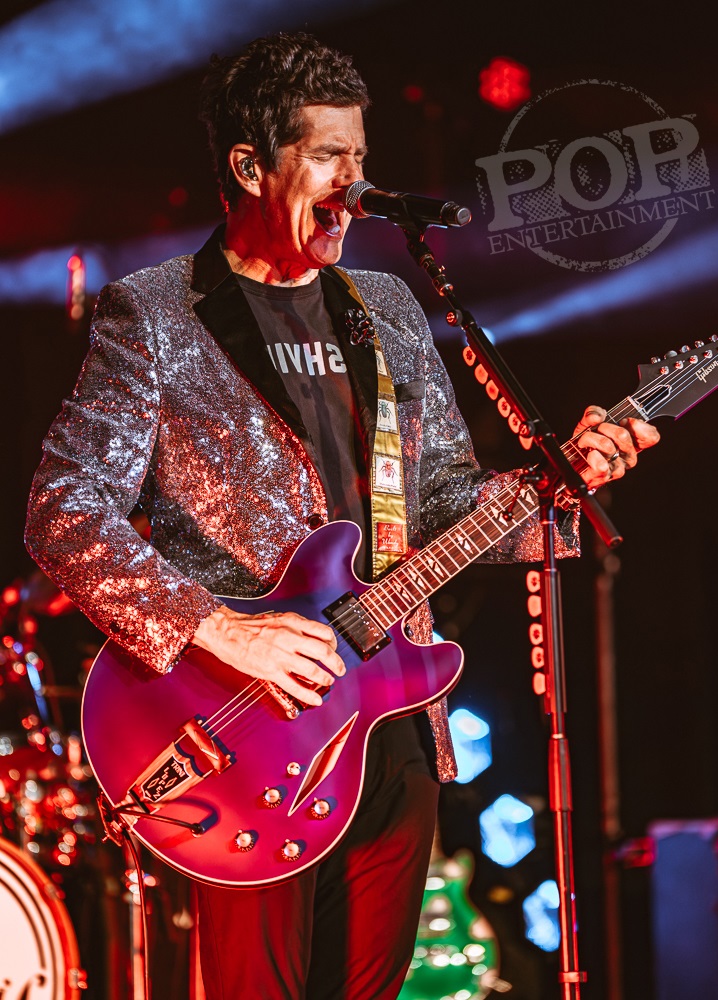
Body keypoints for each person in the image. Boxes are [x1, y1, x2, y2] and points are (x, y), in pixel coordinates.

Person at [25, 32, 659, 1000]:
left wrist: (562, 485)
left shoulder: (388, 309)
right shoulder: (155, 315)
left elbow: (447, 502)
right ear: (251, 167)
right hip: (241, 732)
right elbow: (64, 508)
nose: (353, 184)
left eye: (360, 156)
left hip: (392, 714)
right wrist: (222, 629)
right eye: (328, 156)